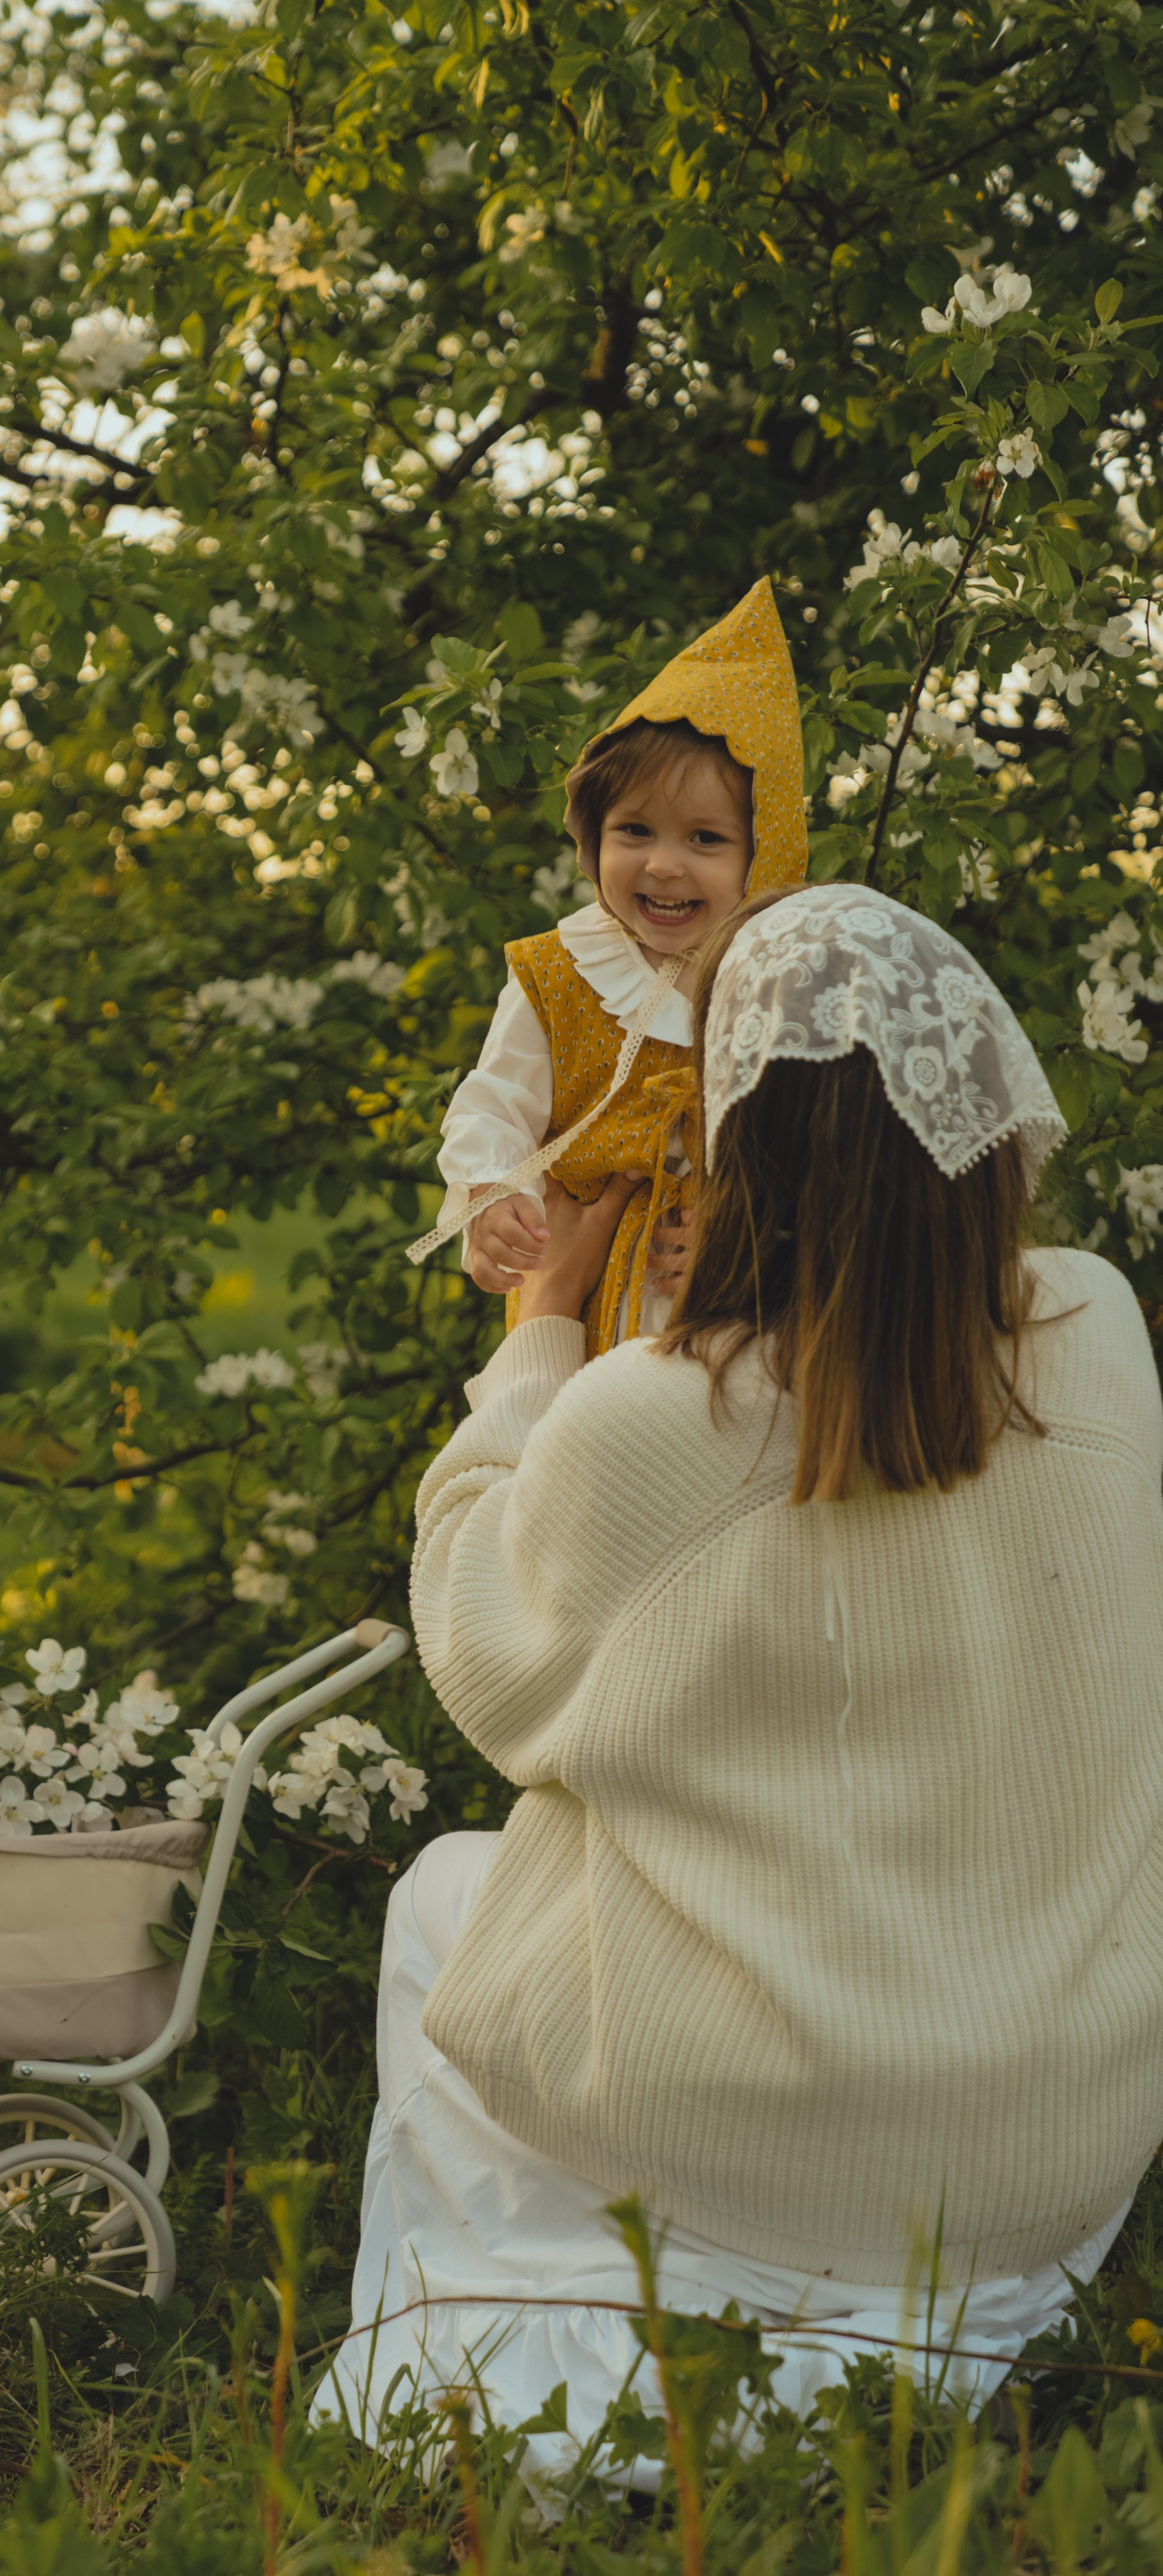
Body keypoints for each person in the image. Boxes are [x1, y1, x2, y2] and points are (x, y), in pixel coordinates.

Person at [322, 883, 1163, 2494]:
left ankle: (530, 2353)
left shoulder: (656, 1411)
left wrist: (540, 1333)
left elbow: (480, 1643)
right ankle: (917, 2334)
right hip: (1054, 2123)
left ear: (739, 1151)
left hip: (770, 2117)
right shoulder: (1093, 1332)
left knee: (443, 1898)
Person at [410, 577, 808, 1355]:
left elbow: (823, 1144)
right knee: (581, 1458)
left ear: (767, 853)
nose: (662, 866)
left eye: (705, 839)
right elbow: (493, 1108)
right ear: (590, 838)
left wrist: (762, 1231)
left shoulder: (786, 984)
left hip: (740, 1297)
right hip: (588, 1304)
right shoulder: (562, 974)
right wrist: (494, 1198)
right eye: (633, 831)